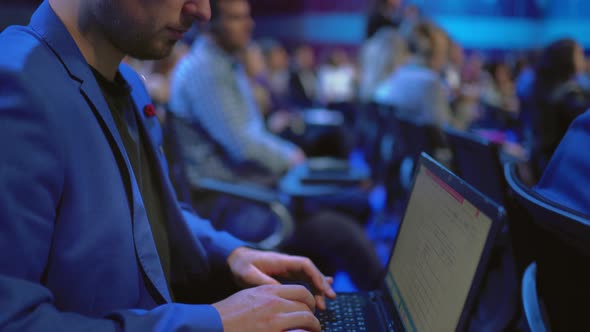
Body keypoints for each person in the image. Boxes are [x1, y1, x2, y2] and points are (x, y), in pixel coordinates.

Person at [0, 0, 337, 331]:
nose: (203, 12)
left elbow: (150, 213)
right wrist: (211, 322)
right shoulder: (17, 83)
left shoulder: (130, 84)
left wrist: (231, 254)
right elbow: (13, 319)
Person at [168, 0, 381, 290]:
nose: (249, 24)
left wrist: (289, 156)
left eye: (248, 16)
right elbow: (244, 146)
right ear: (208, 22)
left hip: (256, 190)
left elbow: (251, 133)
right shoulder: (205, 70)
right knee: (344, 233)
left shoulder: (225, 64)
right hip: (232, 203)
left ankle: (314, 296)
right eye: (237, 18)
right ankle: (384, 312)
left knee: (353, 204)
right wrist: (291, 156)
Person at [374, 21, 453, 127]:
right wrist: (465, 106)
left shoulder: (398, 74)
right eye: (444, 52)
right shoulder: (430, 81)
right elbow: (445, 132)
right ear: (435, 52)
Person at [530, 38, 590, 178]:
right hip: (564, 173)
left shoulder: (544, 87)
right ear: (567, 59)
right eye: (580, 54)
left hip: (543, 165)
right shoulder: (570, 97)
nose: (584, 59)